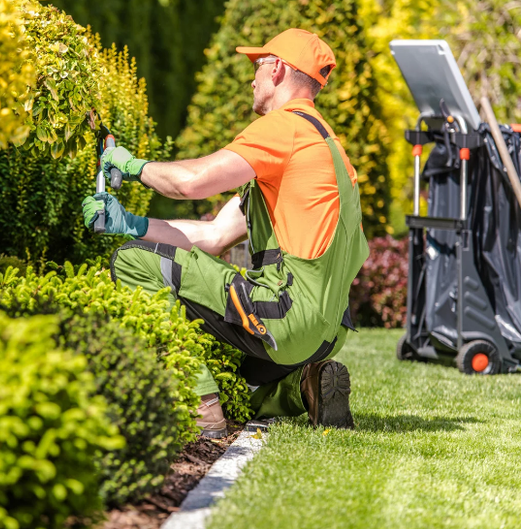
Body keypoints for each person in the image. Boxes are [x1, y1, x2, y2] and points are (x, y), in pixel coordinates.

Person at [82, 28, 369, 437]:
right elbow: (214, 235)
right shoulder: (325, 146)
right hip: (326, 333)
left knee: (131, 261)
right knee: (234, 374)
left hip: (286, 315)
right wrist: (130, 224)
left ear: (279, 71)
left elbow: (190, 183)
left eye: (258, 65)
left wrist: (131, 166)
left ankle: (200, 409)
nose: (251, 77)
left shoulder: (284, 128)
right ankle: (303, 388)